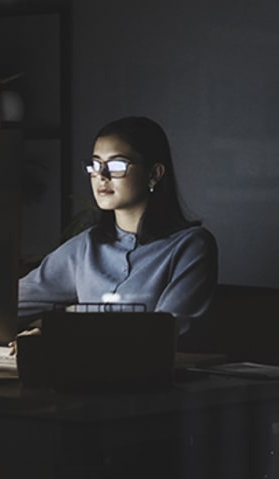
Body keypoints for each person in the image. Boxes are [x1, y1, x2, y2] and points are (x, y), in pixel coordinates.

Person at [17, 116, 218, 346]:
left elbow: (165, 330)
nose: (101, 176)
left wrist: (63, 336)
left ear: (154, 173)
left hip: (155, 378)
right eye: (95, 165)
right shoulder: (86, 247)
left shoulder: (191, 246)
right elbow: (8, 306)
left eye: (116, 165)